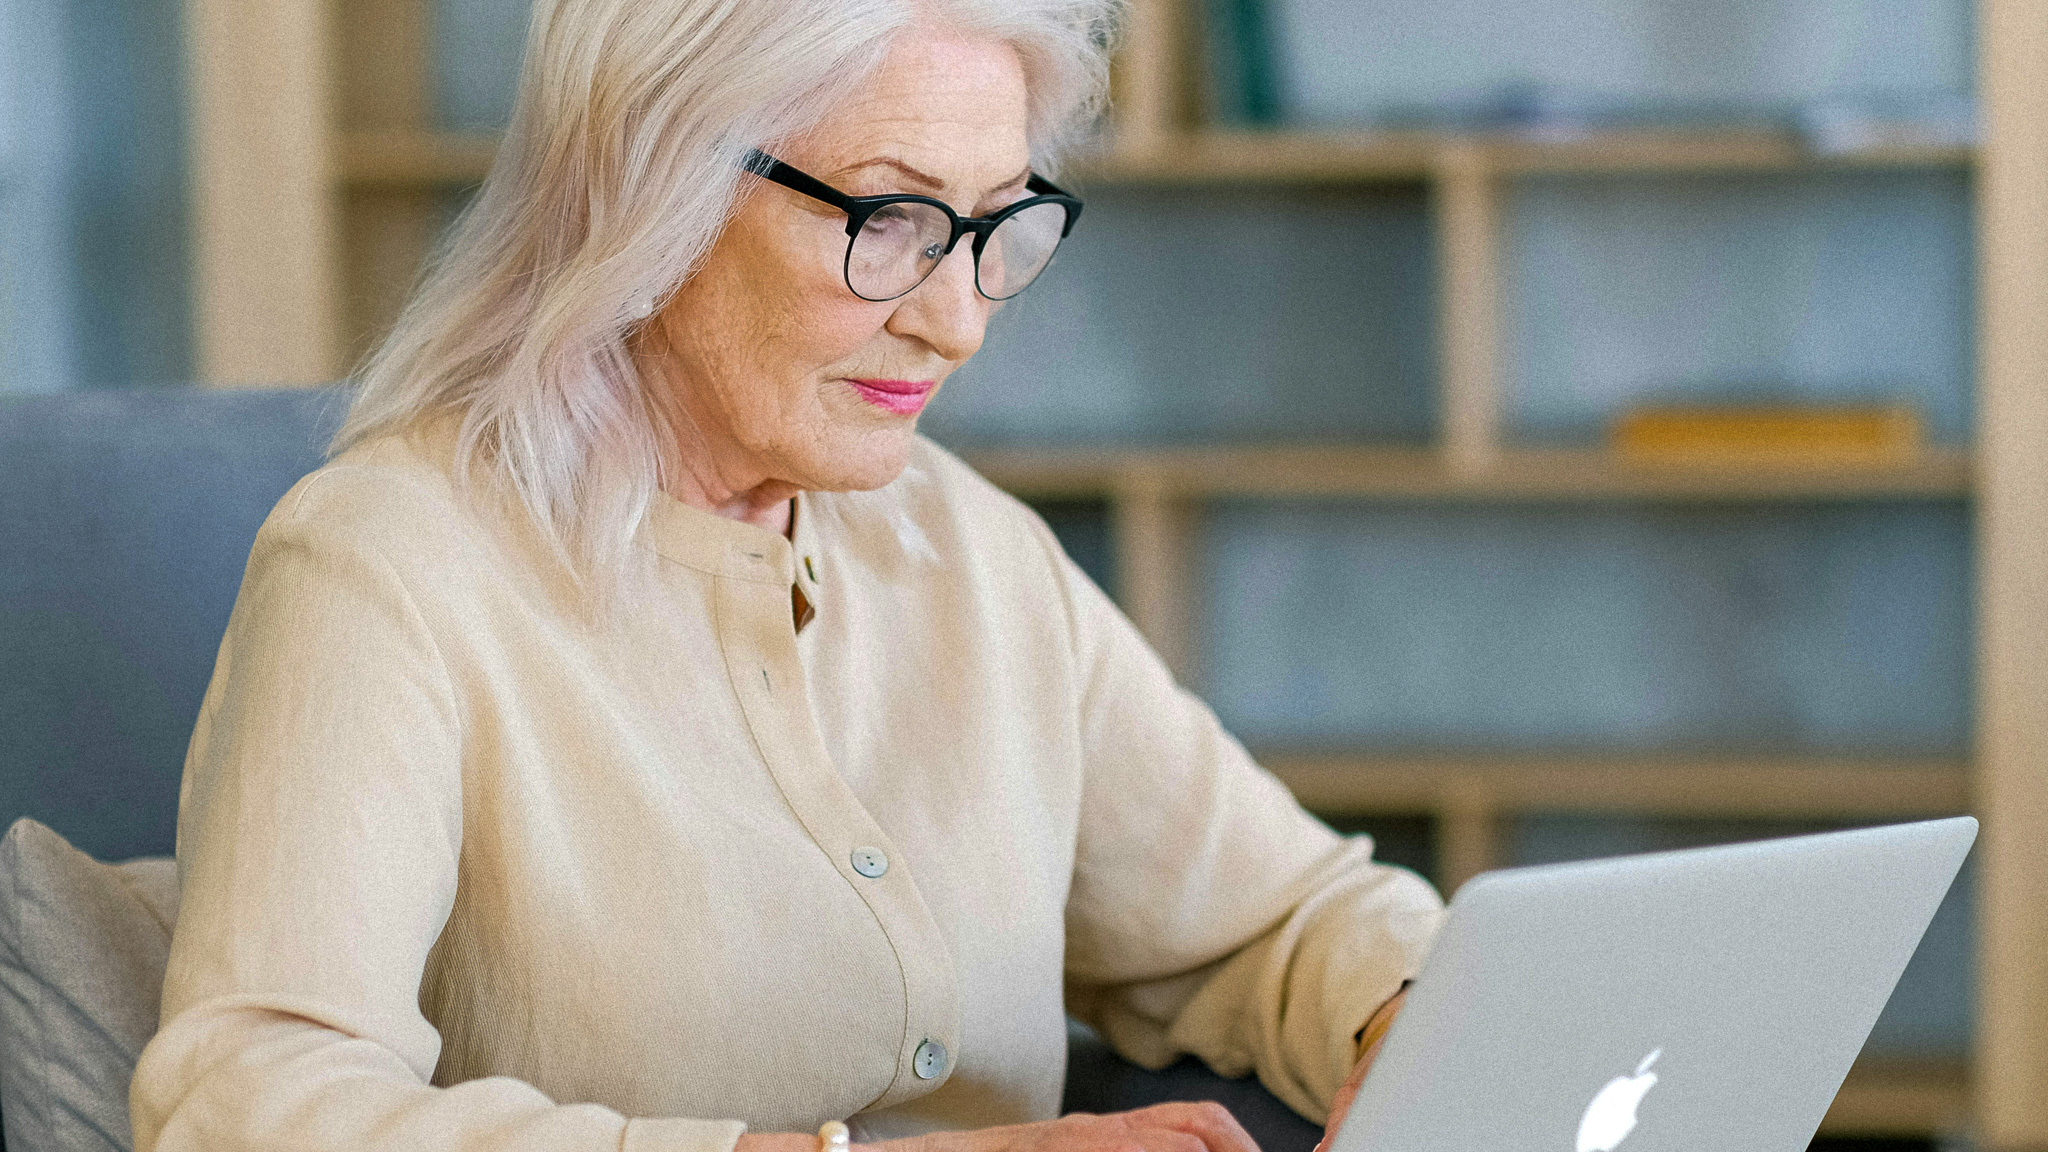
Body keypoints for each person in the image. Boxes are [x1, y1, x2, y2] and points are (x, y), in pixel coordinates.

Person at [129, 1, 1444, 1149]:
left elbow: (1280, 922)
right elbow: (248, 1104)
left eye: (996, 228)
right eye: (893, 219)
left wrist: (1419, 1026)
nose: (959, 319)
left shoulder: (969, 552)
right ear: (654, 189)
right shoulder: (389, 565)